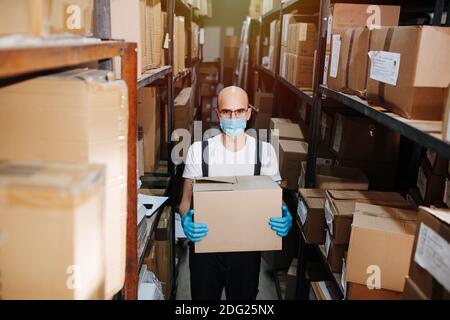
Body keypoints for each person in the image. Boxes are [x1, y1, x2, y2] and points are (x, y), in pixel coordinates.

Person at [178, 86, 293, 300]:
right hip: (205, 249)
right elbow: (185, 201)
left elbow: (276, 202)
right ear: (217, 114)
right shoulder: (198, 150)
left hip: (246, 252)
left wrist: (284, 215)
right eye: (227, 112)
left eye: (239, 111)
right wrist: (186, 220)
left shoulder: (264, 152)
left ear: (249, 113)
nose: (233, 117)